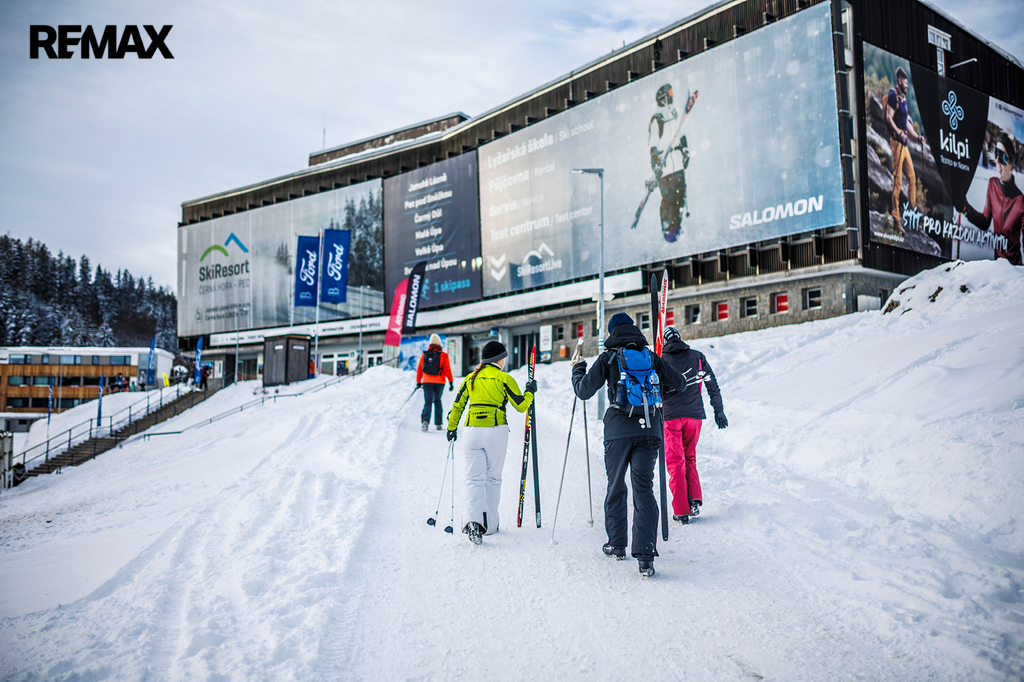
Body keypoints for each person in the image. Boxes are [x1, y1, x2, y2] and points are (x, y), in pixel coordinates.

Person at [571, 312, 686, 577]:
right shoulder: (650, 356)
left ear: (612, 332)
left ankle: (617, 544)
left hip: (618, 431)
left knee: (616, 485)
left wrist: (577, 370)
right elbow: (679, 382)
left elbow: (584, 391)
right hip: (650, 428)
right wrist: (657, 391)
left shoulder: (609, 357)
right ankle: (646, 556)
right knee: (644, 488)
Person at [446, 341, 536, 545]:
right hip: (496, 431)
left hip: (471, 431)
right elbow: (521, 406)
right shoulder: (505, 378)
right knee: (493, 479)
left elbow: (457, 405)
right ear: (500, 359)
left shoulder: (471, 378)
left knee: (472, 479)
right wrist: (530, 391)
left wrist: (452, 428)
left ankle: (472, 521)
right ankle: (491, 525)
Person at [659, 326, 728, 524]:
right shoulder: (697, 357)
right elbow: (711, 384)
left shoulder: (661, 360)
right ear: (680, 338)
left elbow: (657, 388)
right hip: (694, 416)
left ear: (665, 341)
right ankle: (694, 500)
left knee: (675, 461)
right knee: (690, 457)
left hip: (671, 416)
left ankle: (681, 510)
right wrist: (719, 410)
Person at [648, 84, 699, 242]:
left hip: (677, 165)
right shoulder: (657, 120)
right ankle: (667, 227)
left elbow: (681, 133)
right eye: (669, 93)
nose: (672, 96)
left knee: (680, 198)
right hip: (666, 169)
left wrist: (685, 150)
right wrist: (655, 164)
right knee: (669, 200)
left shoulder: (675, 114)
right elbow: (653, 145)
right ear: (663, 97)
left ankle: (676, 228)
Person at [963, 134, 1023, 265]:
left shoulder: (1020, 201)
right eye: (996, 154)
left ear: (1012, 166)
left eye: (1002, 156)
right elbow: (985, 222)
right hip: (996, 268)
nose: (997, 161)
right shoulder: (992, 184)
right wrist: (965, 209)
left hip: (1015, 272)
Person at [885, 66, 923, 231]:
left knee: (912, 179)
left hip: (905, 145)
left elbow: (906, 123)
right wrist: (899, 133)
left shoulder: (903, 99)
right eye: (905, 83)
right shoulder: (893, 96)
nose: (907, 85)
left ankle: (913, 215)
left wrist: (916, 137)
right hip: (897, 144)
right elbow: (888, 117)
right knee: (898, 182)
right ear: (899, 81)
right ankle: (896, 220)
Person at [417, 333, 455, 432]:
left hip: (427, 381)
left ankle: (425, 423)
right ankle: (438, 424)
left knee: (428, 402)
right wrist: (450, 381)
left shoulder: (425, 354)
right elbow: (447, 369)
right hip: (439, 382)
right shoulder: (443, 355)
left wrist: (418, 381)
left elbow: (420, 368)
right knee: (437, 401)